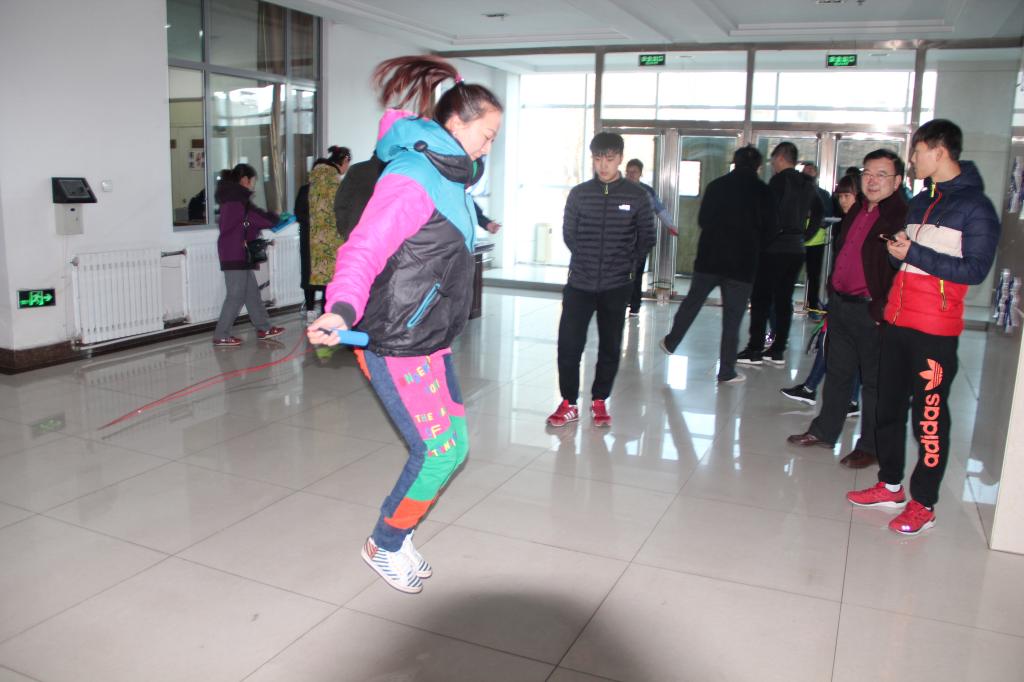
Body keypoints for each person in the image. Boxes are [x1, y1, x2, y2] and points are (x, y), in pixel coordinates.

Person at [307, 55, 503, 592]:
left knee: (453, 446)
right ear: (455, 124)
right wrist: (340, 308)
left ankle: (402, 532)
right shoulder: (412, 176)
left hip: (429, 339)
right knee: (436, 453)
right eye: (485, 136)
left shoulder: (450, 177)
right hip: (394, 341)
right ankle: (385, 543)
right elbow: (362, 249)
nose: (488, 148)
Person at [846, 119, 1000, 534]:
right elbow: (908, 260)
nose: (912, 160)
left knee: (928, 418)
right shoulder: (921, 201)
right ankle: (890, 485)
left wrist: (914, 252)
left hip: (935, 328)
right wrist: (898, 252)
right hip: (898, 319)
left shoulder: (976, 208)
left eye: (916, 152)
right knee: (887, 409)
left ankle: (923, 503)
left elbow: (975, 270)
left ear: (938, 150)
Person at [787, 149, 909, 470]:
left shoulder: (901, 217)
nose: (872, 180)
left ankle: (870, 446)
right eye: (868, 173)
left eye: (881, 174)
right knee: (838, 373)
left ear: (897, 181)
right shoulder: (857, 210)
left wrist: (885, 308)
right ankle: (824, 431)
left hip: (873, 312)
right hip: (842, 305)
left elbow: (903, 269)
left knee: (874, 383)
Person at [546, 133, 655, 428]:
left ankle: (599, 399)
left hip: (616, 285)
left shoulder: (636, 196)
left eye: (609, 159)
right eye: (597, 159)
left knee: (610, 345)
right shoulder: (580, 194)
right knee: (569, 345)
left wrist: (627, 267)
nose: (603, 165)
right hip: (579, 283)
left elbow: (646, 238)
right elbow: (569, 234)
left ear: (620, 158)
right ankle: (569, 402)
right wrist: (587, 258)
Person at [658, 145, 775, 384]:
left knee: (692, 302)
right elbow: (772, 229)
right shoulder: (764, 192)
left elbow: (703, 220)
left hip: (710, 259)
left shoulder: (716, 186)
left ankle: (671, 341)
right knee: (732, 319)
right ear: (758, 167)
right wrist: (754, 244)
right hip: (742, 264)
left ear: (734, 162)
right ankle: (727, 371)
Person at [737, 141, 822, 366]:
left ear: (781, 158)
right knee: (784, 299)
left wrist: (762, 240)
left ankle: (755, 349)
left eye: (773, 159)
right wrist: (805, 235)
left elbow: (769, 214)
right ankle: (777, 350)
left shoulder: (778, 181)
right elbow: (819, 212)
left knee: (761, 298)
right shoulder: (807, 183)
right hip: (796, 249)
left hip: (774, 248)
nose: (772, 163)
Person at [781, 173, 861, 407]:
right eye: (841, 196)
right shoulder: (850, 221)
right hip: (844, 296)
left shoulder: (862, 223)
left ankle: (848, 399)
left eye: (847, 196)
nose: (843, 201)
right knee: (831, 342)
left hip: (857, 299)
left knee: (851, 350)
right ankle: (814, 389)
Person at [211, 163, 284, 346]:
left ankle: (264, 327)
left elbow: (246, 221)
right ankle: (221, 335)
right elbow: (260, 219)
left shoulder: (232, 198)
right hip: (235, 253)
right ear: (245, 180)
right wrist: (276, 217)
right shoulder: (237, 200)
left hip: (237, 252)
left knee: (251, 293)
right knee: (235, 296)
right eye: (252, 181)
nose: (253, 185)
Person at [625, 158, 677, 317]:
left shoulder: (647, 192)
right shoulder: (619, 189)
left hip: (641, 240)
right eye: (628, 172)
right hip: (622, 239)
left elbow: (659, 209)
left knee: (637, 273)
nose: (630, 175)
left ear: (640, 173)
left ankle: (634, 306)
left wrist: (671, 225)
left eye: (634, 172)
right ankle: (621, 302)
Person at [307, 147, 351, 316]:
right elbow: (340, 207)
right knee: (334, 279)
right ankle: (330, 315)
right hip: (332, 237)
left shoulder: (316, 177)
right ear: (344, 160)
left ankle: (324, 315)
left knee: (326, 280)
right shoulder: (332, 179)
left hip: (317, 237)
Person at [800, 161, 835, 316]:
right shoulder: (796, 192)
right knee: (790, 275)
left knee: (814, 276)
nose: (808, 173)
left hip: (817, 241)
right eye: (806, 170)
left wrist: (817, 219)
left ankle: (812, 307)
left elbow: (829, 216)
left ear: (817, 174)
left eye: (811, 170)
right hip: (797, 240)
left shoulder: (823, 194)